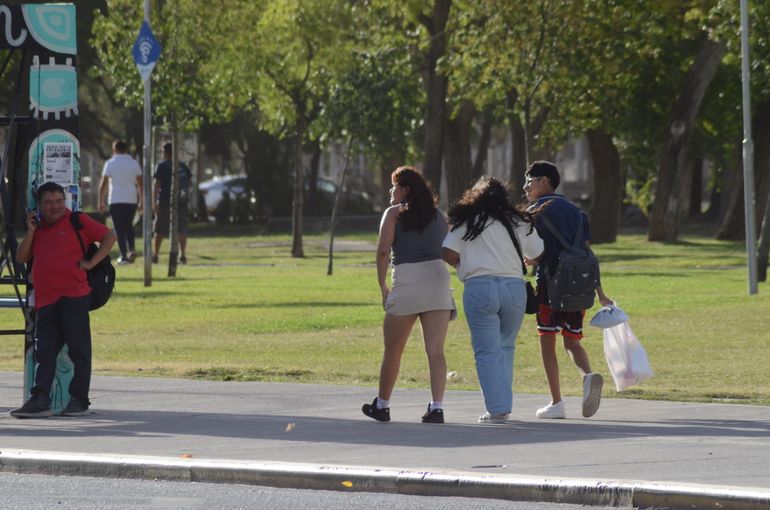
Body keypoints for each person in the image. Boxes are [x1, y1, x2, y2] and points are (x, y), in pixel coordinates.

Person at [10, 182, 117, 418]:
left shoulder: (77, 221)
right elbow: (21, 256)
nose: (55, 207)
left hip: (74, 297)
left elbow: (110, 237)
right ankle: (40, 400)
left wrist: (91, 262)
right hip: (45, 300)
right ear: (40, 205)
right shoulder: (36, 228)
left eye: (59, 201)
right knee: (44, 352)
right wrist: (30, 232)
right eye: (49, 202)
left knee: (79, 351)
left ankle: (79, 400)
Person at [442, 177, 543, 424]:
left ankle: (498, 409)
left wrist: (463, 263)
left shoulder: (468, 221)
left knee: (486, 351)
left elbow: (446, 251)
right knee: (506, 347)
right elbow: (537, 253)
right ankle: (503, 405)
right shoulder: (519, 221)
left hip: (480, 287)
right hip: (513, 287)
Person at [362, 166, 456, 424]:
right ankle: (436, 407)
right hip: (438, 279)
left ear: (405, 189)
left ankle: (382, 405)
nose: (391, 190)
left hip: (407, 279)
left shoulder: (394, 214)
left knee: (393, 349)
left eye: (394, 186)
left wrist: (382, 286)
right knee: (435, 351)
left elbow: (383, 252)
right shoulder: (440, 216)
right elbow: (449, 250)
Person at [523, 161, 613, 419]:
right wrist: (600, 292)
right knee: (572, 341)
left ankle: (556, 402)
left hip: (549, 286)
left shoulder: (535, 211)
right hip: (578, 287)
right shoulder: (576, 212)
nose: (526, 186)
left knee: (547, 339)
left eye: (530, 180)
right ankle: (587, 377)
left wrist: (532, 260)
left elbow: (537, 252)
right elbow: (585, 252)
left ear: (545, 182)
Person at [98, 140, 143, 265]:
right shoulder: (134, 163)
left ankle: (124, 256)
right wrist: (142, 201)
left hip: (116, 199)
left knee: (119, 228)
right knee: (129, 225)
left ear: (115, 150)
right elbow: (140, 183)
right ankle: (132, 249)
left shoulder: (110, 163)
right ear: (126, 149)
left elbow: (104, 183)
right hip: (131, 199)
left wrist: (101, 201)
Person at [152, 142, 191, 264]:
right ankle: (182, 255)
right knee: (182, 229)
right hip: (181, 202)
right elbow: (189, 184)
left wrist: (154, 202)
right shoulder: (183, 166)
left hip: (165, 202)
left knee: (160, 230)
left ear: (165, 152)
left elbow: (157, 185)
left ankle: (155, 255)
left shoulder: (162, 166)